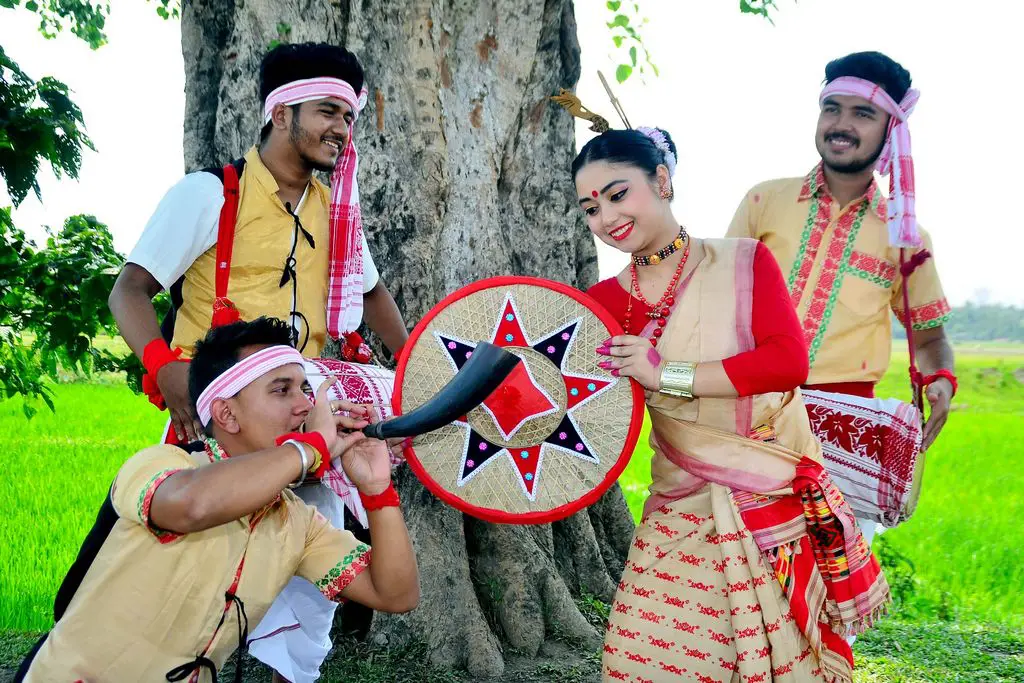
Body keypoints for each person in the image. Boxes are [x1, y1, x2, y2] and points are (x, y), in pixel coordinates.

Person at [107, 42, 410, 679]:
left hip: (304, 400)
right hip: (224, 413)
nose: (340, 128)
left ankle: (280, 663)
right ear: (279, 113)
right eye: (327, 110)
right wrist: (166, 371)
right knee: (207, 557)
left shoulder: (338, 213)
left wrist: (416, 364)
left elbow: (373, 293)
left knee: (326, 507)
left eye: (348, 116)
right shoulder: (208, 194)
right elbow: (128, 291)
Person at [570, 124, 888, 682]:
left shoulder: (743, 263)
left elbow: (787, 362)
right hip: (677, 500)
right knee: (637, 659)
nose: (606, 218)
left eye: (619, 194)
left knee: (770, 658)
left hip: (764, 493)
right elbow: (593, 411)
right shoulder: (602, 303)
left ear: (662, 181)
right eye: (590, 208)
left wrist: (663, 372)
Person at [18, 317, 419, 682]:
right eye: (282, 390)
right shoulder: (164, 464)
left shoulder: (296, 521)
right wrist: (310, 448)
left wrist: (375, 487)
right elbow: (192, 506)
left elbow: (395, 594)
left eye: (305, 390)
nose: (306, 406)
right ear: (226, 415)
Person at [726, 51, 956, 544]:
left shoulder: (905, 235)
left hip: (846, 432)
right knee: (739, 569)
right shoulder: (765, 201)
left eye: (862, 113)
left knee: (834, 578)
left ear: (890, 129)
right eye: (832, 108)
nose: (841, 125)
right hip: (750, 412)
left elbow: (931, 338)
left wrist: (940, 379)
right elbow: (715, 300)